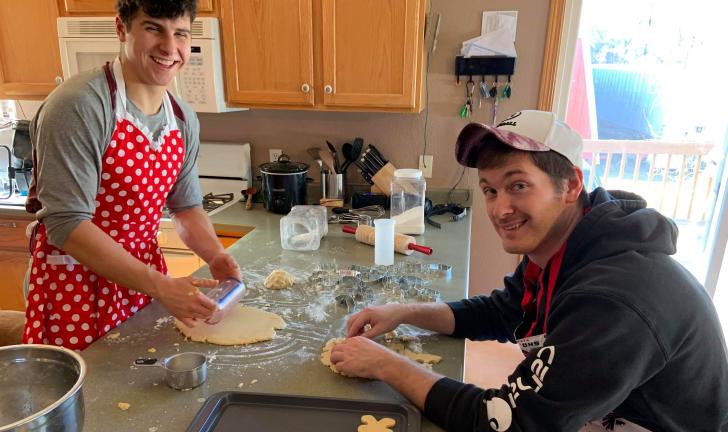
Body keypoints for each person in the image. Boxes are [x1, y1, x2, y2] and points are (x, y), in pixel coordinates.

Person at [330, 110, 728, 431]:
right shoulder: (562, 248)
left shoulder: (614, 299)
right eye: (490, 189)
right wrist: (403, 312)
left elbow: (508, 421)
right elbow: (504, 311)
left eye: (518, 185)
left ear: (571, 185)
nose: (501, 210)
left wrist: (386, 364)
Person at [21, 0, 241, 351]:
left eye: (180, 33)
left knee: (137, 388)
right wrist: (158, 284)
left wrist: (215, 255)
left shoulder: (182, 118)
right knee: (90, 395)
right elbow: (66, 224)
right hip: (75, 286)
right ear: (122, 30)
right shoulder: (79, 106)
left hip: (141, 282)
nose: (170, 48)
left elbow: (185, 207)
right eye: (153, 28)